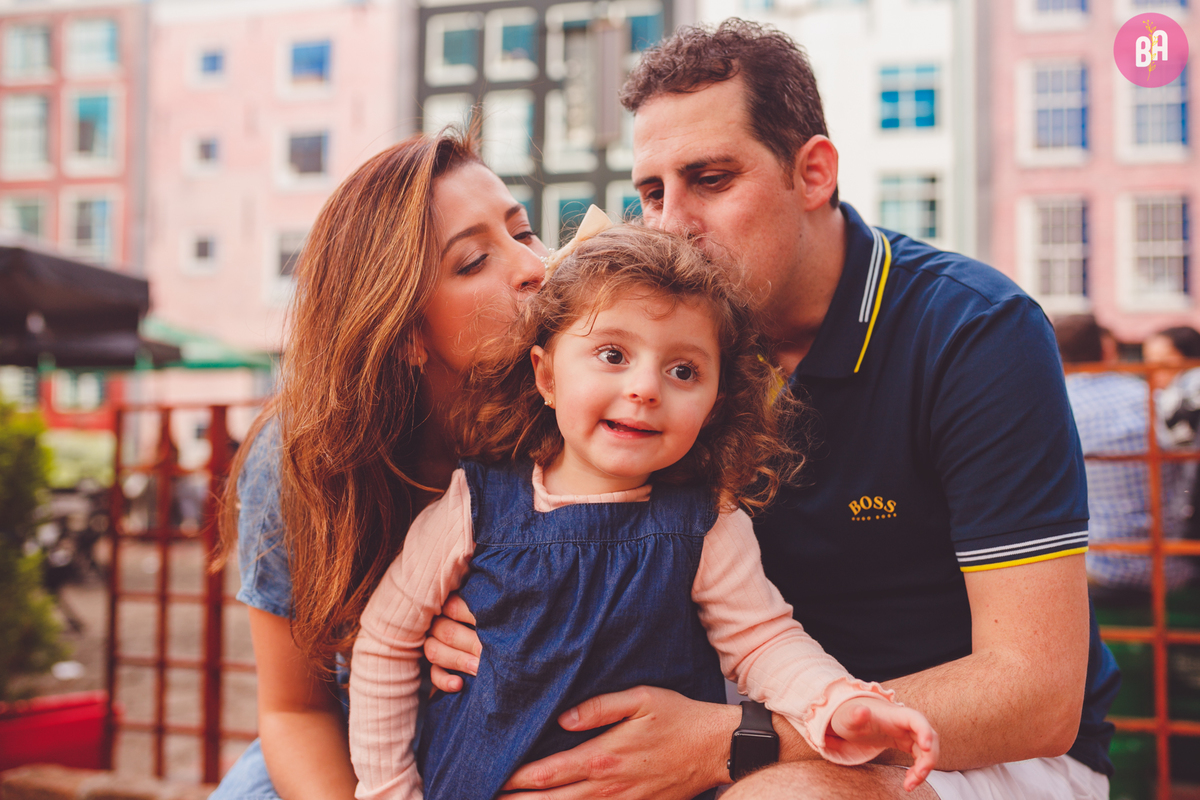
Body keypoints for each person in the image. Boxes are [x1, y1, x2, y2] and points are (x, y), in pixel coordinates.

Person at [426, 20, 1119, 800]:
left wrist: (737, 742)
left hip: (962, 752)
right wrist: (474, 610)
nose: (672, 224)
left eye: (711, 180)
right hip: (724, 711)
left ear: (814, 172)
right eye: (652, 192)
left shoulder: (972, 330)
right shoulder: (662, 345)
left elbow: (1036, 696)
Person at [348, 223, 939, 800]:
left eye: (684, 370)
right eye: (612, 354)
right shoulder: (474, 505)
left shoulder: (709, 520)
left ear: (713, 405)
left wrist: (837, 701)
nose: (646, 387)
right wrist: (388, 789)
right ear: (546, 373)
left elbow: (762, 641)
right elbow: (384, 643)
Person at [207, 133, 549, 800]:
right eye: (475, 260)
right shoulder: (302, 459)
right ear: (407, 334)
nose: (533, 265)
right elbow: (294, 710)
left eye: (524, 231)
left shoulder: (590, 418)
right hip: (345, 758)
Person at [1056, 315, 1196, 595]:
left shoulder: (1056, 408)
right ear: (1107, 351)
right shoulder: (1153, 398)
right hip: (1168, 567)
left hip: (1097, 566)